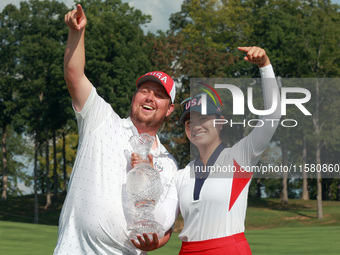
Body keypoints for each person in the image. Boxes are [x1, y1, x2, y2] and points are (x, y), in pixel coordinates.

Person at [54, 4, 178, 255]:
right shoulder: (101, 119)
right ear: (134, 96)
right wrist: (76, 33)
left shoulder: (170, 164)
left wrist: (158, 242)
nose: (149, 97)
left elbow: (167, 225)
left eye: (159, 95)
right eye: (144, 90)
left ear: (169, 109)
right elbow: (74, 75)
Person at [175, 46, 281, 254]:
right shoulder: (181, 174)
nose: (196, 126)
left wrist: (265, 66)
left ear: (220, 122)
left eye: (203, 118)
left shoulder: (239, 157)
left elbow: (273, 116)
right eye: (189, 122)